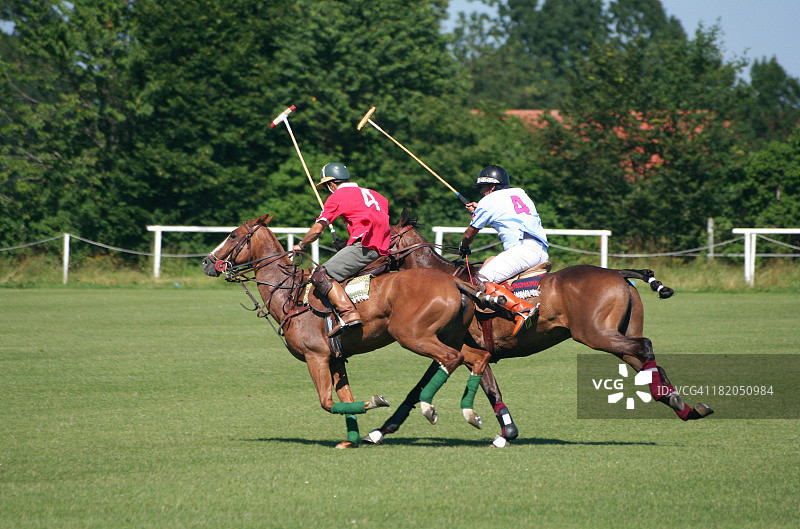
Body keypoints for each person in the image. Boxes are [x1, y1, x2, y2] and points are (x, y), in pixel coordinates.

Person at [293, 162, 390, 337]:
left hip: (365, 247)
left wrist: (301, 245)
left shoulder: (338, 196)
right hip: (384, 247)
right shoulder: (376, 195)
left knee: (320, 274)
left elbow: (317, 230)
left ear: (331, 184)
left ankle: (348, 313)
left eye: (326, 187)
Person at [459, 165, 549, 336]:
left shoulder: (488, 201)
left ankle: (522, 309)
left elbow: (469, 234)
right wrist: (481, 208)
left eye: (483, 187)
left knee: (481, 278)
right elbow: (506, 211)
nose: (481, 192)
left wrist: (463, 247)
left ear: (492, 186)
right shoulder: (520, 193)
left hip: (523, 251)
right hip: (540, 250)